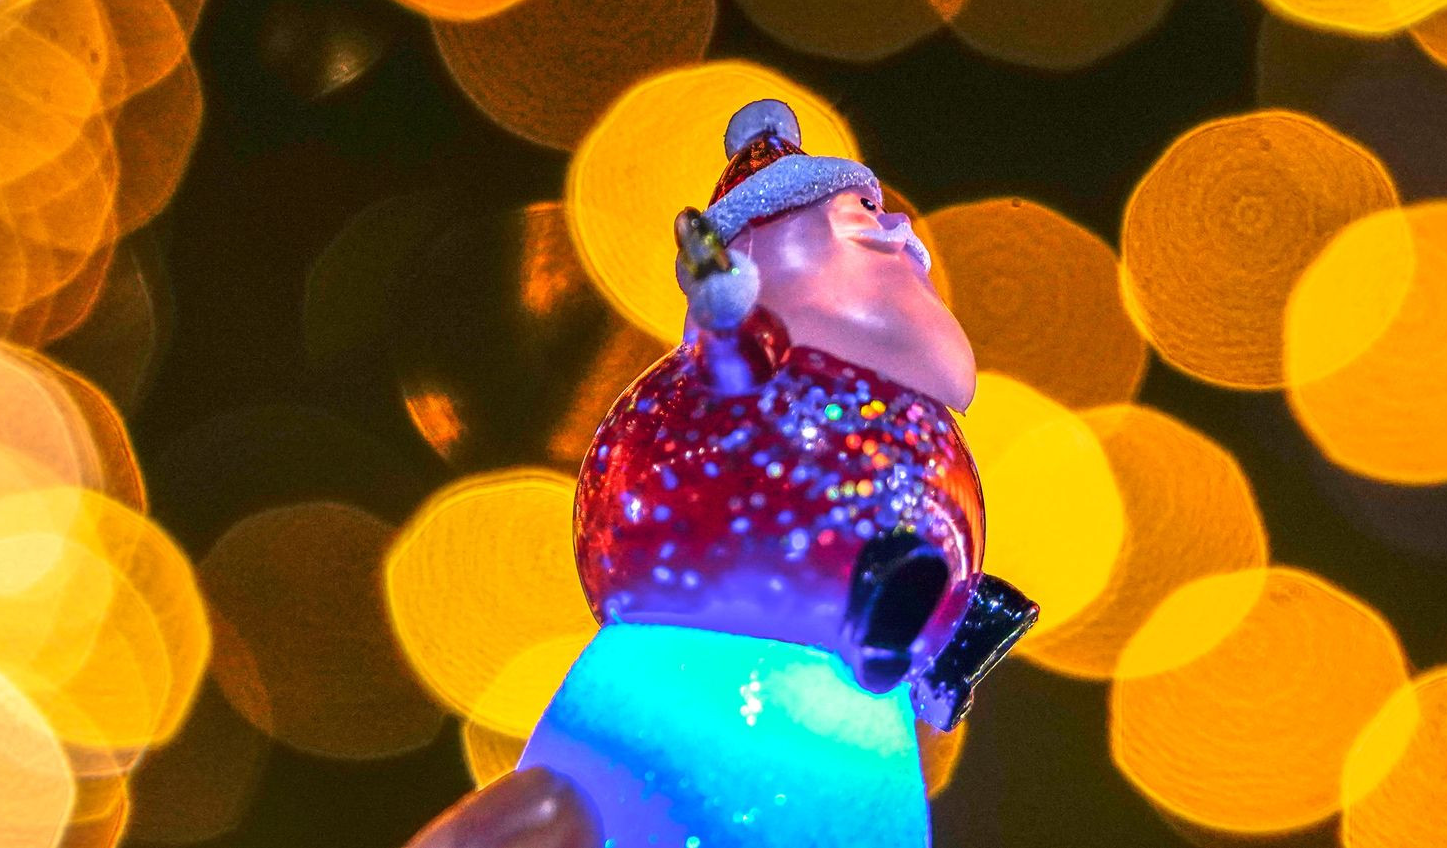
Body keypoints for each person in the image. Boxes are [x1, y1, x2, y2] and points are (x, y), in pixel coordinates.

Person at [414, 100, 1035, 848]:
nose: (899, 229)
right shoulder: (731, 370)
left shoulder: (911, 419)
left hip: (858, 739)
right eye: (863, 212)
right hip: (694, 697)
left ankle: (909, 624)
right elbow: (729, 375)